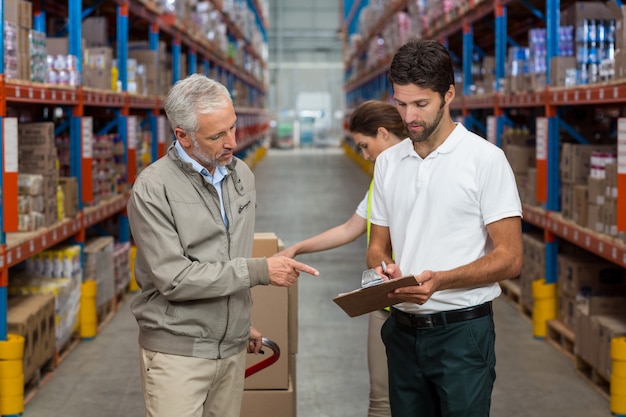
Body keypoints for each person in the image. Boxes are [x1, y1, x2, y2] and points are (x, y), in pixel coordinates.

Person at [126, 73, 319, 417]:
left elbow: (227, 258)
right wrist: (261, 270)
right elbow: (175, 279)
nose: (231, 141)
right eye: (217, 135)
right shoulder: (153, 189)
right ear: (183, 136)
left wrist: (236, 324)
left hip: (231, 349)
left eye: (231, 127)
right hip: (178, 354)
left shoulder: (241, 175)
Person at [366, 39, 523, 417]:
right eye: (401, 104)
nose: (409, 117)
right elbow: (376, 245)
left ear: (449, 94)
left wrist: (441, 280)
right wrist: (383, 268)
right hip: (401, 331)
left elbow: (510, 258)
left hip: (462, 336)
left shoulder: (485, 160)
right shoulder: (388, 163)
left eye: (421, 104)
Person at [277, 100, 407, 417]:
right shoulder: (382, 179)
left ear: (384, 134)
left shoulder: (425, 174)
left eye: (365, 145)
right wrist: (296, 248)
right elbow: (350, 228)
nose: (364, 155)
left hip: (422, 300)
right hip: (386, 302)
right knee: (380, 399)